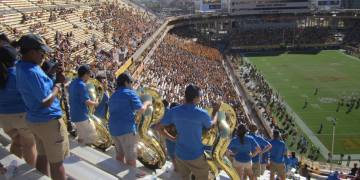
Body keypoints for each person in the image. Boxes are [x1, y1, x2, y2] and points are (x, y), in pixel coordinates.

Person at [15, 34, 69, 180]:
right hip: (48, 121)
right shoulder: (32, 71)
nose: (44, 55)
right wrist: (58, 83)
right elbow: (46, 101)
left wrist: (49, 75)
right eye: (42, 52)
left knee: (42, 155)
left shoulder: (20, 66)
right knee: (57, 164)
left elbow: (37, 88)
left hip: (34, 120)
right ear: (32, 52)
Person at [158, 84, 219, 180]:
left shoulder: (174, 111)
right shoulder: (202, 113)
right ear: (195, 98)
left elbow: (159, 128)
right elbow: (211, 125)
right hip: (196, 156)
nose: (200, 98)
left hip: (179, 154)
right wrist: (215, 112)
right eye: (199, 96)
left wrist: (172, 138)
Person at [108, 72, 151, 177]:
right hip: (126, 130)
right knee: (131, 157)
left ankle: (117, 174)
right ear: (126, 82)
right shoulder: (130, 93)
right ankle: (132, 176)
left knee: (119, 154)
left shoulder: (113, 95)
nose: (132, 84)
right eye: (131, 82)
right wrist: (147, 102)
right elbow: (141, 109)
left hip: (113, 129)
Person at [0, 45, 37, 167]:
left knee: (16, 141)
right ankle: (30, 173)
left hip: (3, 118)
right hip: (21, 115)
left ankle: (14, 168)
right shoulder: (18, 74)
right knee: (29, 144)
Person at [68, 65, 98, 145]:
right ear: (85, 74)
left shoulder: (73, 82)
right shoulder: (81, 85)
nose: (89, 77)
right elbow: (87, 101)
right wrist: (95, 103)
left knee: (81, 136)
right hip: (81, 116)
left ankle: (80, 148)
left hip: (74, 114)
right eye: (89, 75)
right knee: (93, 136)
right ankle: (84, 150)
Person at [157, 102, 179, 171]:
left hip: (171, 140)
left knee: (173, 156)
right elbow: (161, 128)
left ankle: (176, 167)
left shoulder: (168, 115)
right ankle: (176, 167)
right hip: (172, 140)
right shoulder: (170, 117)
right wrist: (172, 138)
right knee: (174, 156)